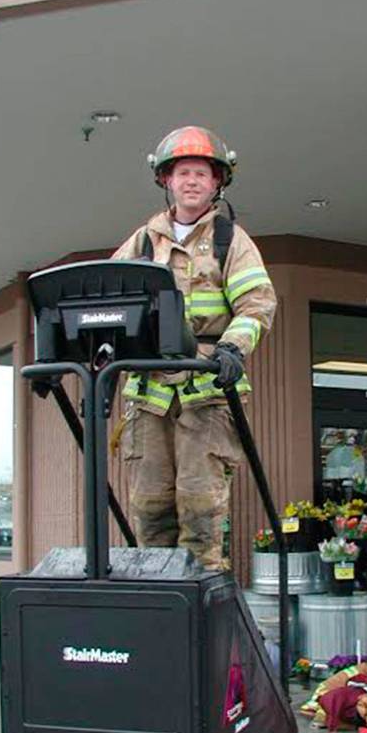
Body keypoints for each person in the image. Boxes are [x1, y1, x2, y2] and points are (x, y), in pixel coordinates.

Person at [112, 125, 276, 569]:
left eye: (202, 173)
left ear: (218, 182)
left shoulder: (231, 242)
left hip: (206, 391)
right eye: (182, 172)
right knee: (149, 507)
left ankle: (201, 603)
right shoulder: (143, 242)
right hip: (149, 396)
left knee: (200, 508)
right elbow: (108, 304)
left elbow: (257, 304)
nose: (191, 181)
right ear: (166, 179)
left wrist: (232, 350)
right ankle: (158, 602)